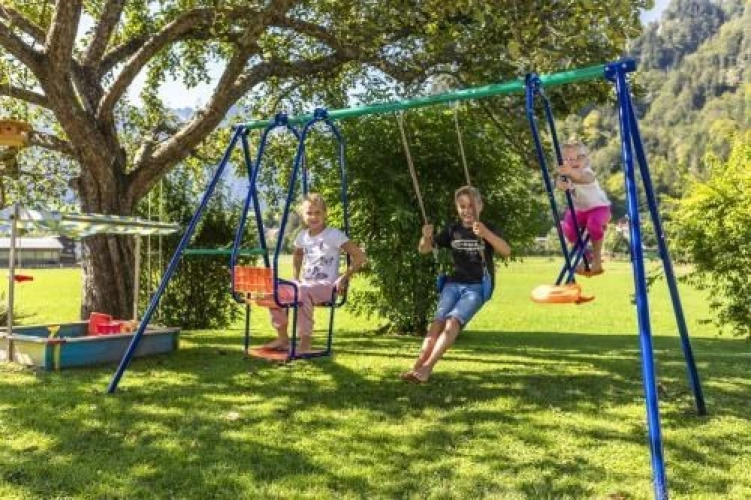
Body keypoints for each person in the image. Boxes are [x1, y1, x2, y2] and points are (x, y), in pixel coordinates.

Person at [401, 185, 511, 384]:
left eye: (471, 206)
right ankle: (416, 367)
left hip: (477, 286)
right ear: (457, 208)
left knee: (452, 323)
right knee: (437, 324)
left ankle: (427, 368)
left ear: (480, 206)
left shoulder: (487, 227)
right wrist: (425, 237)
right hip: (453, 284)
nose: (467, 210)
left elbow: (506, 251)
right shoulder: (453, 230)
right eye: (462, 206)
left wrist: (485, 233)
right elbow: (424, 249)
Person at [262, 193, 366, 353]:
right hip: (306, 284)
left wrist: (344, 278)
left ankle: (305, 342)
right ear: (303, 216)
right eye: (309, 213)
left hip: (327, 286)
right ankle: (282, 337)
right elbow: (297, 255)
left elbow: (359, 256)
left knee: (302, 292)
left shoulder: (334, 235)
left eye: (318, 212)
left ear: (325, 214)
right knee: (273, 291)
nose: (313, 217)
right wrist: (295, 278)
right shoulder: (302, 236)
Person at [556, 140, 611, 275]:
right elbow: (559, 183)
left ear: (587, 160)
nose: (574, 161)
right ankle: (585, 255)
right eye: (568, 159)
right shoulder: (566, 175)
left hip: (599, 208)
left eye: (578, 157)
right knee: (567, 227)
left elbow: (581, 178)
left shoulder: (588, 173)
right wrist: (561, 184)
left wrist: (569, 172)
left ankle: (597, 259)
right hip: (579, 211)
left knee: (593, 224)